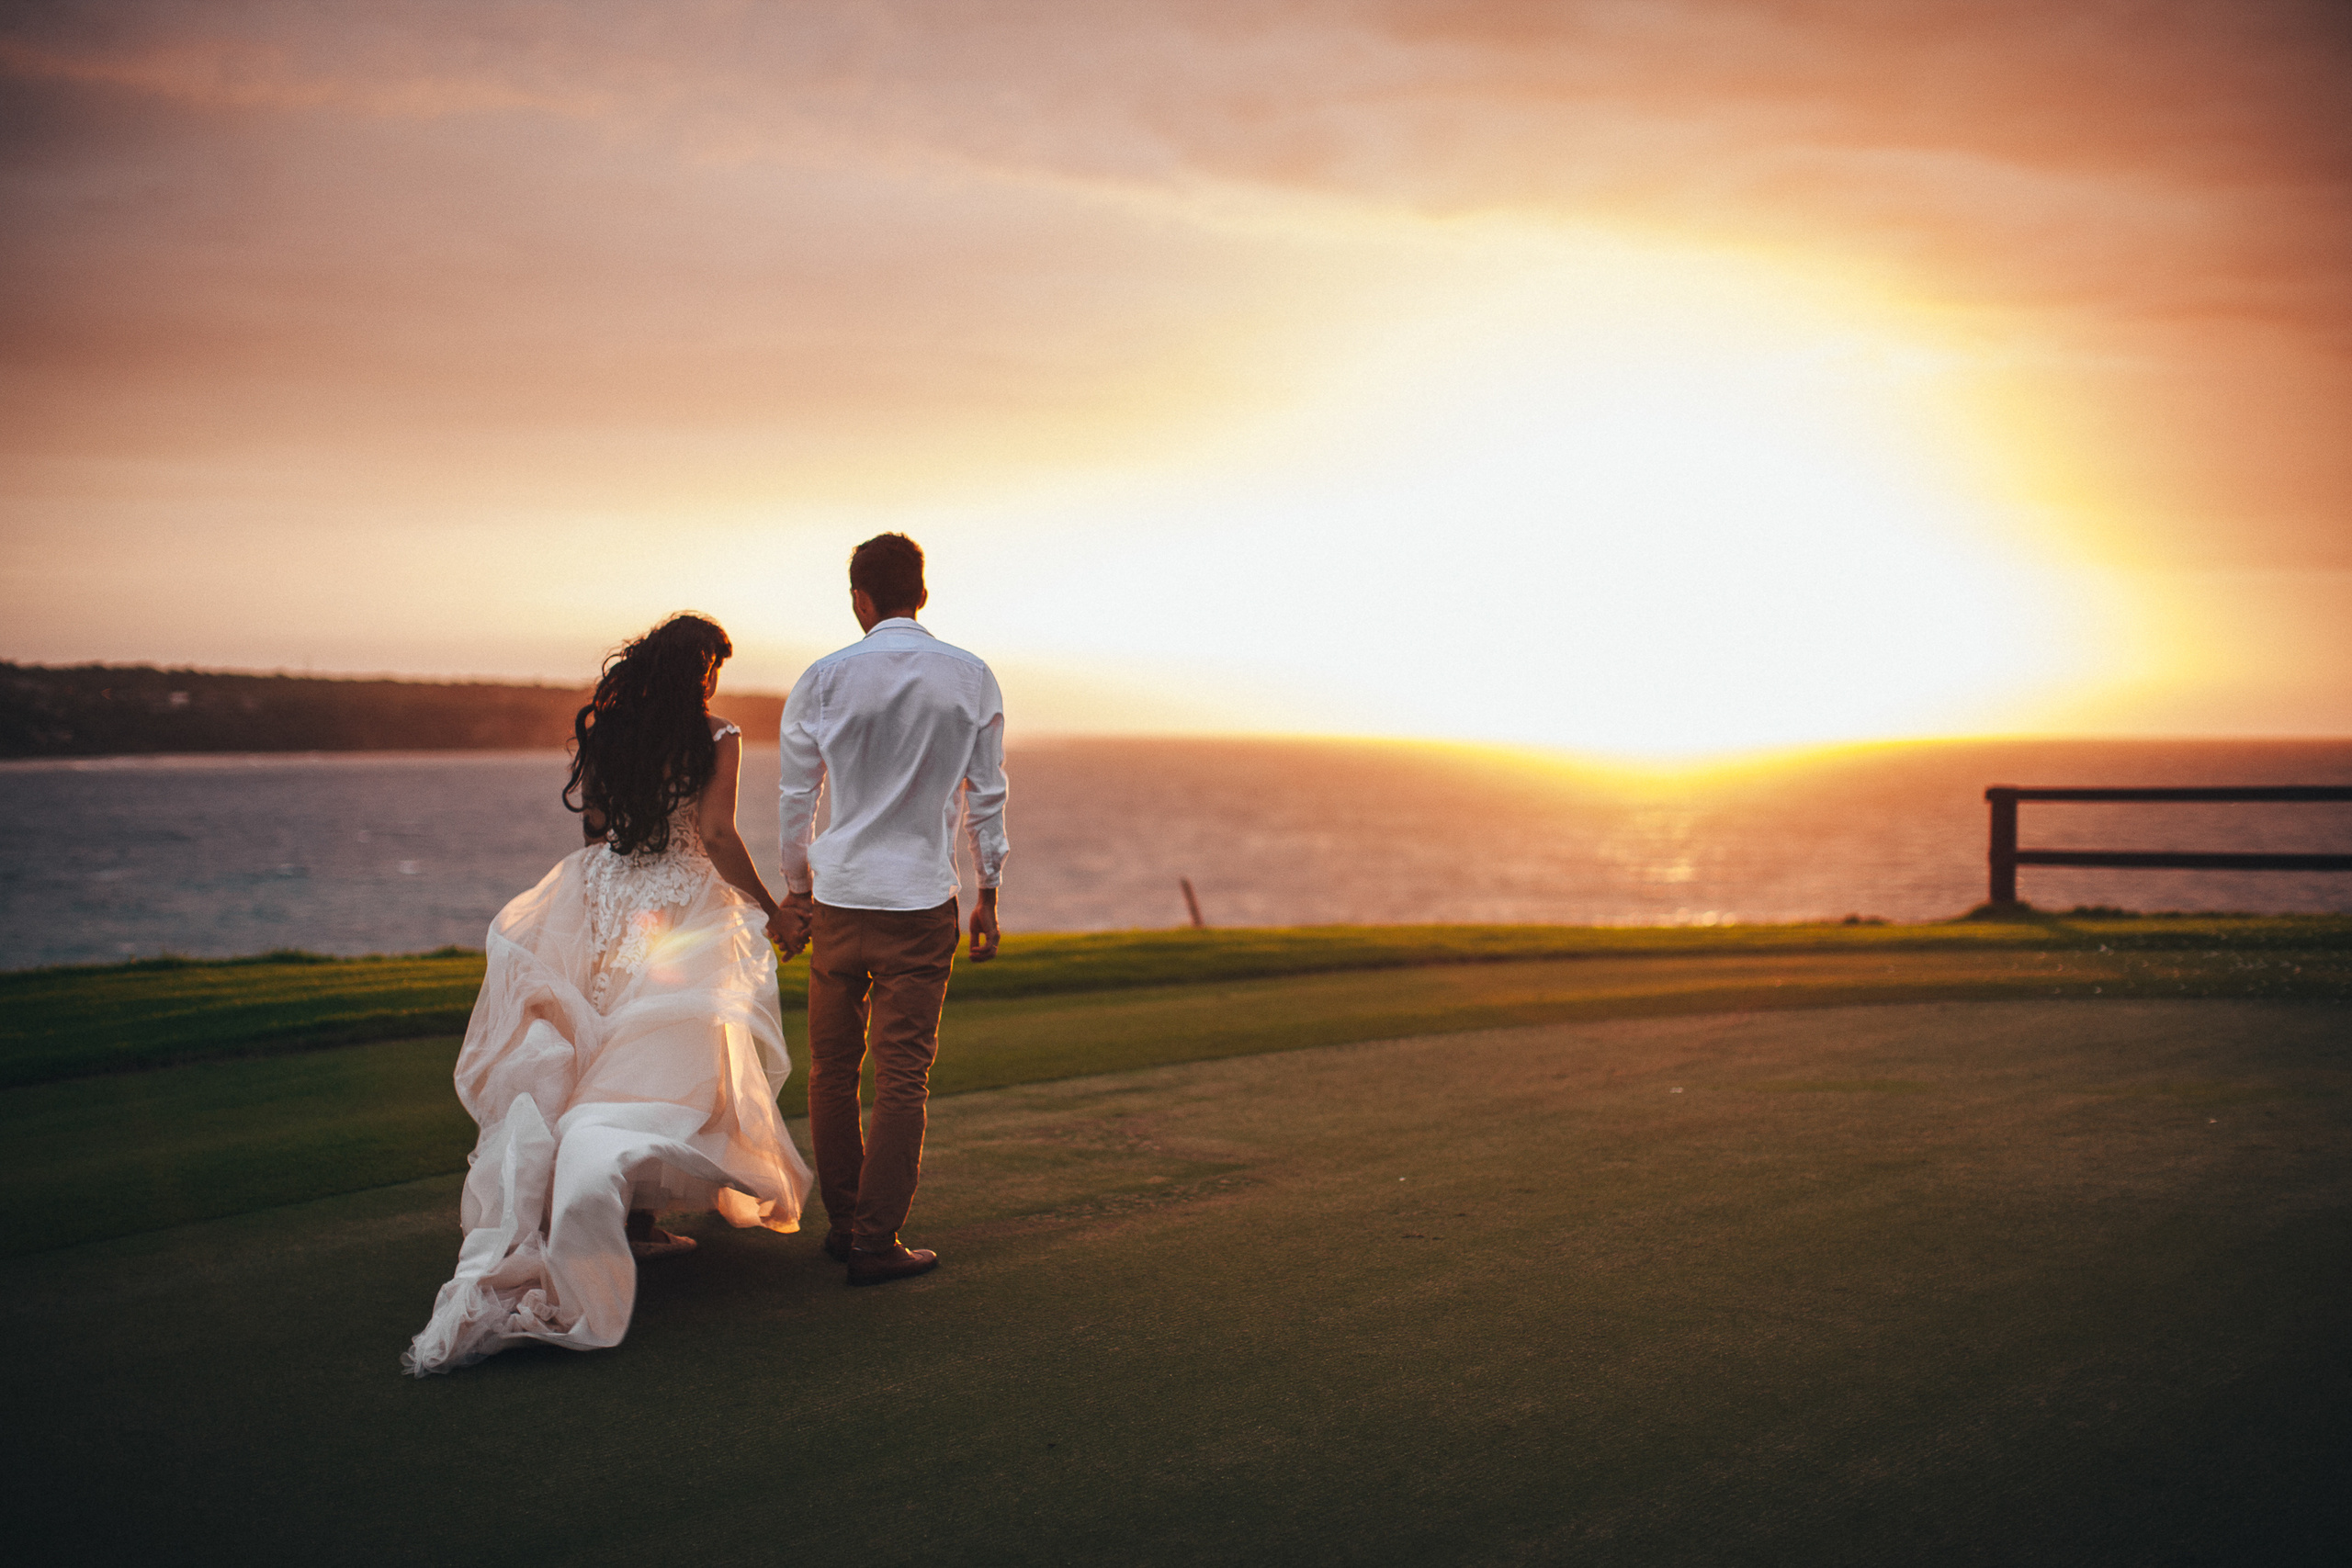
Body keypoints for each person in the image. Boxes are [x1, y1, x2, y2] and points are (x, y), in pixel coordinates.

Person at [403, 614, 812, 1375]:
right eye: (714, 668)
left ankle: (630, 1219)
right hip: (681, 901)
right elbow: (717, 835)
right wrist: (769, 906)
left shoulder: (611, 732)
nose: (717, 682)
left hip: (602, 891)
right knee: (658, 1050)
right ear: (701, 671)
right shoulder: (718, 737)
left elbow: (596, 827)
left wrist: (608, 902)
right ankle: (627, 1212)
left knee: (599, 1037)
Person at [769, 533, 1007, 1286]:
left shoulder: (822, 678)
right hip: (919, 899)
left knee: (832, 1070)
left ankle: (848, 1226)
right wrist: (989, 892)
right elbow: (987, 797)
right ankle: (877, 1239)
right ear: (922, 594)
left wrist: (798, 890)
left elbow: (796, 799)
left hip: (839, 899)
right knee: (902, 1075)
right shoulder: (971, 677)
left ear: (859, 600)